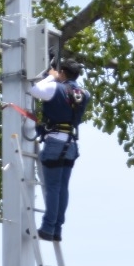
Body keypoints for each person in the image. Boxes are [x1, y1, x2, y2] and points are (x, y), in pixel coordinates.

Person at [30, 58, 89, 243]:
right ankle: (57, 229)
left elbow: (34, 90)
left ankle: (48, 228)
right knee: (62, 188)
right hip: (71, 144)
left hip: (55, 142)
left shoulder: (55, 88)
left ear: (62, 72)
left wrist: (51, 77)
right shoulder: (84, 93)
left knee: (53, 188)